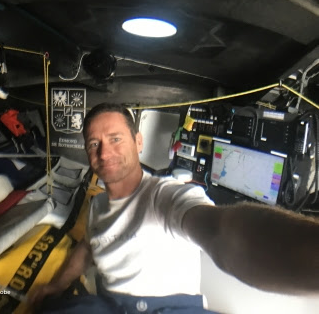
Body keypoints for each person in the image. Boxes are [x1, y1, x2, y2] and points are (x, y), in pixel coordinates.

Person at [30, 103, 319, 313]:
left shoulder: (164, 196)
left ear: (138, 142)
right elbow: (88, 247)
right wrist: (56, 287)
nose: (105, 153)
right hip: (109, 305)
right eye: (95, 143)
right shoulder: (98, 205)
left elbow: (222, 232)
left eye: (116, 139)